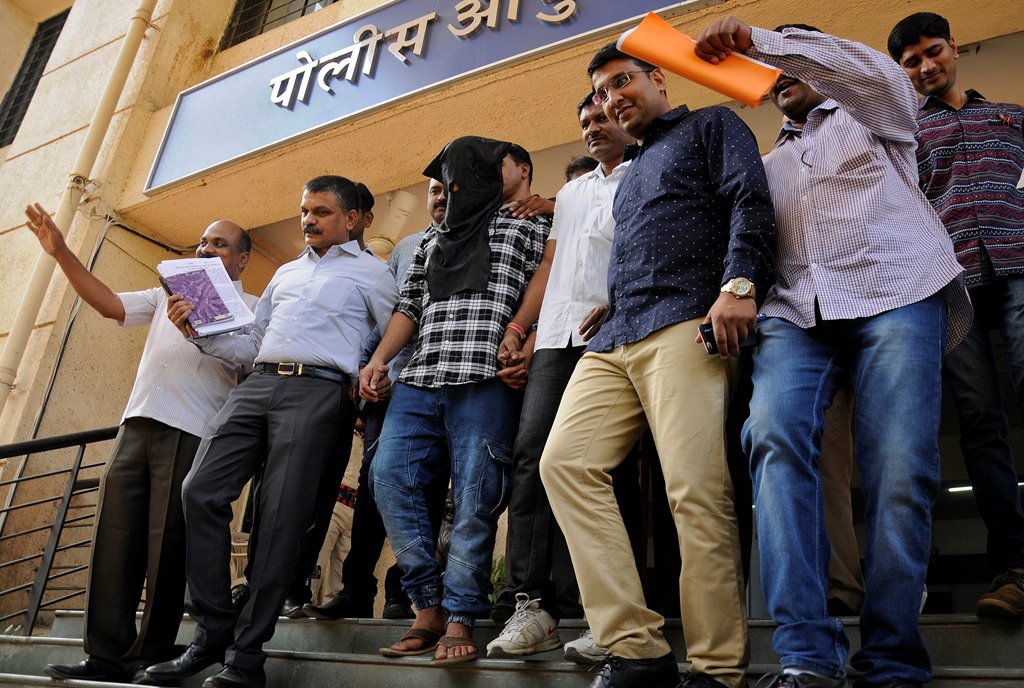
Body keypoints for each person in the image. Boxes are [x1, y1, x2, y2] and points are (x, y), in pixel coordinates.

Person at [693, 18, 972, 688]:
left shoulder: (876, 114)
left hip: (898, 290)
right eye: (772, 64)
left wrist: (760, 39)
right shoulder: (764, 166)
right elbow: (732, 242)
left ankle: (893, 658)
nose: (779, 71)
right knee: (772, 437)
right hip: (796, 313)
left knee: (901, 467)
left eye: (796, 57)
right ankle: (807, 657)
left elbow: (869, 71)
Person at [539, 42, 776, 688]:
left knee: (695, 492)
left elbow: (749, 201)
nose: (611, 98)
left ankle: (718, 668)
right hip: (615, 335)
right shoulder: (631, 171)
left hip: (684, 325)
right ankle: (636, 648)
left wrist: (740, 285)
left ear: (657, 79)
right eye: (600, 92)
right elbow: (651, 241)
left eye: (621, 81)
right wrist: (613, 300)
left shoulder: (711, 126)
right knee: (564, 464)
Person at [144, 175, 397, 688]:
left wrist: (378, 377)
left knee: (280, 521)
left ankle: (246, 657)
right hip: (257, 383)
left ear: (351, 219)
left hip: (320, 391)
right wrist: (199, 334)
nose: (308, 220)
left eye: (321, 212)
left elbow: (394, 339)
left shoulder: (375, 275)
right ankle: (213, 629)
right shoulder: (285, 273)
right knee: (200, 491)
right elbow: (252, 340)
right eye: (305, 211)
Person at [22, 205, 256, 683]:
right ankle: (103, 656)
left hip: (193, 432)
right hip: (136, 423)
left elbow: (251, 370)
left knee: (167, 549)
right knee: (114, 539)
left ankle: (148, 658)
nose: (205, 248)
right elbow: (108, 304)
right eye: (203, 241)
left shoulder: (251, 307)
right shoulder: (163, 293)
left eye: (220, 244)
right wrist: (62, 252)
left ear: (243, 259)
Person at [361, 138, 550, 664]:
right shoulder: (432, 238)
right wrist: (379, 359)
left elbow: (554, 284)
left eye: (460, 173)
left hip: (486, 377)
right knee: (388, 477)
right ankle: (427, 604)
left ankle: (462, 613)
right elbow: (410, 305)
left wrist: (527, 345)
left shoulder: (532, 224)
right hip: (421, 376)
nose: (452, 185)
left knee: (476, 495)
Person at [485, 92, 634, 660]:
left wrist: (622, 302)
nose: (593, 128)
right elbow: (550, 265)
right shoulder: (571, 193)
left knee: (597, 465)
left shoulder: (648, 174)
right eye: (585, 122)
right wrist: (520, 329)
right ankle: (530, 604)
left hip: (615, 332)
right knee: (530, 458)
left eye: (602, 117)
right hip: (554, 339)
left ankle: (599, 608)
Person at [889, 11, 1024, 619]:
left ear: (953, 50)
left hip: (1021, 267)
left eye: (933, 52)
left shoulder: (1013, 119)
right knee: (980, 422)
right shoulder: (903, 137)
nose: (926, 67)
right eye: (912, 62)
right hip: (953, 286)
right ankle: (1014, 568)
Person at [303, 179, 449, 621]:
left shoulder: (479, 239)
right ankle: (355, 588)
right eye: (434, 190)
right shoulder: (405, 249)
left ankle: (404, 595)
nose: (441, 198)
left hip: (445, 387)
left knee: (427, 492)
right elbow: (386, 318)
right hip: (390, 387)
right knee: (373, 487)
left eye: (449, 189)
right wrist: (365, 372)